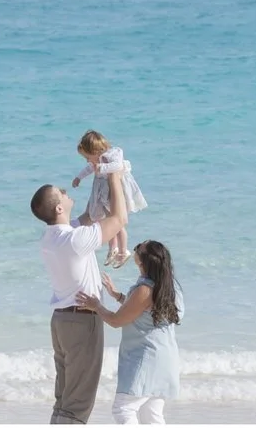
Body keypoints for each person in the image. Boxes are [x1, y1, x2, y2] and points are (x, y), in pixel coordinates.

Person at [31, 182, 129, 424]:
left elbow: (89, 217)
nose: (66, 192)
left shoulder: (51, 238)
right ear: (58, 210)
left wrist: (100, 179)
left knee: (64, 399)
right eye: (62, 193)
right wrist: (115, 176)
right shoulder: (75, 240)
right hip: (82, 320)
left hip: (61, 321)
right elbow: (119, 218)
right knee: (77, 404)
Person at [79, 238, 181, 425]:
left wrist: (96, 306)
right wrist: (118, 296)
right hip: (166, 358)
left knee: (123, 409)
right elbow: (147, 311)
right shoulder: (170, 287)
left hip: (146, 358)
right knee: (152, 415)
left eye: (137, 247)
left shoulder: (145, 290)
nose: (134, 248)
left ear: (142, 261)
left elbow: (116, 321)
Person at [70, 131, 147, 267]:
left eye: (88, 157)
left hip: (115, 192)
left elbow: (118, 166)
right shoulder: (96, 161)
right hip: (104, 193)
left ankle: (123, 251)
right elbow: (89, 169)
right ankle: (113, 248)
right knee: (107, 220)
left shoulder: (112, 154)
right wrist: (78, 177)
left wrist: (101, 167)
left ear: (96, 151)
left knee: (118, 223)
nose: (88, 161)